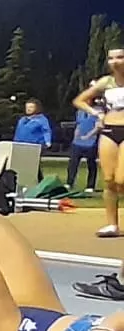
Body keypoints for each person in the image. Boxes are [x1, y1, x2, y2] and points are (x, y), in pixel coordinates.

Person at [72, 47, 124, 237]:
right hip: (109, 130)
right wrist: (97, 113)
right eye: (111, 58)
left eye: (120, 57)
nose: (115, 61)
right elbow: (79, 100)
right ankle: (112, 225)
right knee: (109, 180)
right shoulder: (106, 82)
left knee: (122, 179)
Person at [68, 105, 100, 194]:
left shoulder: (97, 111)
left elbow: (98, 127)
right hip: (77, 142)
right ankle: (69, 183)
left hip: (91, 143)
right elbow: (78, 125)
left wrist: (88, 136)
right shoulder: (80, 111)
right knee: (73, 163)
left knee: (91, 164)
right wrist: (75, 137)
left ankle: (90, 185)